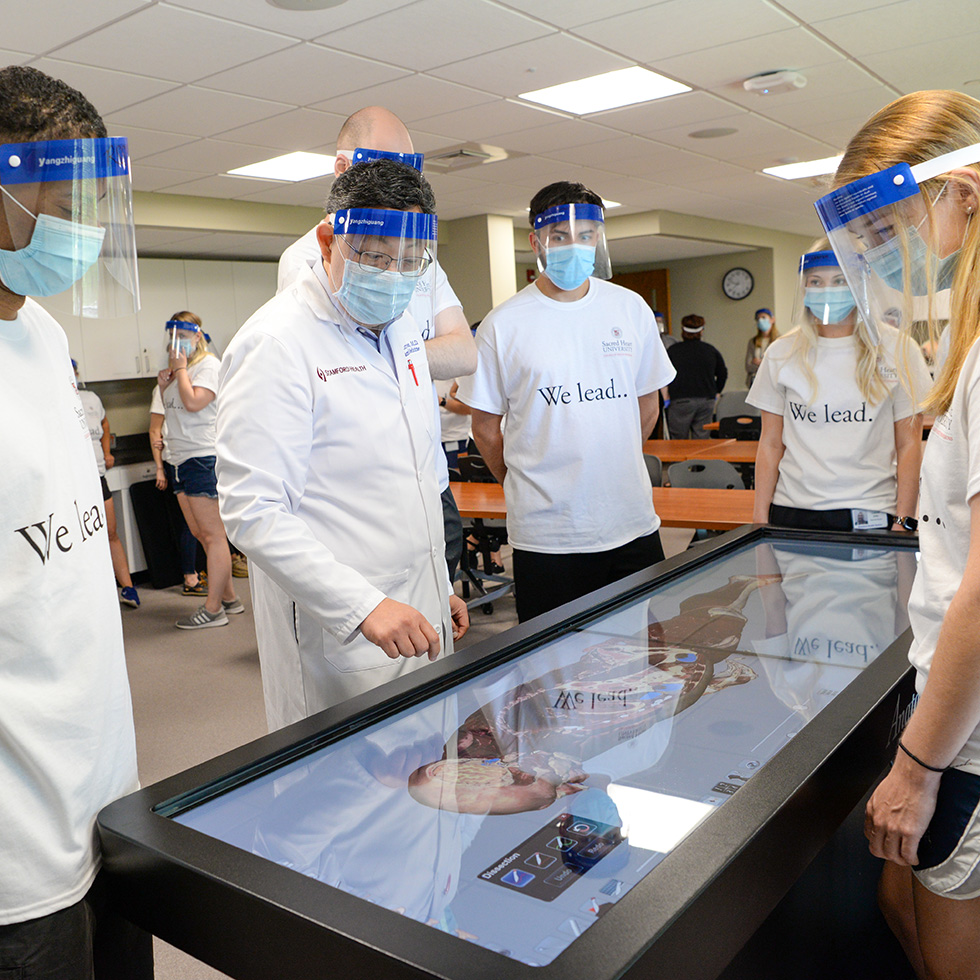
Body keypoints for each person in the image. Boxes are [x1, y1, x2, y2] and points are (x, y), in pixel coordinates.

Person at [813, 89, 980, 980]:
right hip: (953, 711)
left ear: (959, 191)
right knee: (892, 899)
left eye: (888, 229)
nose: (884, 255)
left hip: (967, 732)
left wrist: (916, 767)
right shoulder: (968, 336)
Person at [217, 158, 469, 731]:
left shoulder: (403, 326)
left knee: (430, 779)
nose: (393, 276)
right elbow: (252, 510)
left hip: (418, 611)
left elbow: (416, 466)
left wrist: (436, 582)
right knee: (352, 799)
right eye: (377, 257)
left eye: (410, 263)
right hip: (347, 632)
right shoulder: (276, 343)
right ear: (329, 240)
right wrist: (364, 606)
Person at [0, 65, 151, 979]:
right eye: (63, 201)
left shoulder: (43, 334)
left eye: (95, 203)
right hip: (15, 854)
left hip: (105, 795)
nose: (83, 229)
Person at [457, 181, 675, 623]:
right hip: (548, 537)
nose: (573, 246)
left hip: (631, 523)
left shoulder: (629, 309)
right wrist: (526, 482)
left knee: (641, 660)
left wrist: (612, 462)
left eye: (585, 235)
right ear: (536, 241)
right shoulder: (503, 326)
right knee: (553, 675)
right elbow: (484, 428)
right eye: (559, 236)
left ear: (598, 239)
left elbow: (648, 405)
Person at [278, 105, 476, 590]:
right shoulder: (306, 259)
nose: (397, 270)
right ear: (343, 169)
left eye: (405, 169)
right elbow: (328, 364)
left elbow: (465, 354)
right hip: (358, 490)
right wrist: (414, 355)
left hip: (430, 478)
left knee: (437, 622)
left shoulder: (422, 258)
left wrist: (393, 354)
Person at [749, 249, 931, 533]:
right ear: (804, 287)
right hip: (792, 511)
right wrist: (760, 520)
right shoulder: (781, 353)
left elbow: (909, 445)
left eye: (840, 280)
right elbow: (771, 444)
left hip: (869, 511)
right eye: (816, 282)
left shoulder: (898, 349)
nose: (827, 290)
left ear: (860, 286)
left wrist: (904, 520)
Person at [156, 311, 242, 628]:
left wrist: (179, 372)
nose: (176, 342)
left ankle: (214, 609)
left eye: (183, 335)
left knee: (213, 535)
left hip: (201, 457)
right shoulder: (185, 368)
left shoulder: (208, 366)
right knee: (199, 533)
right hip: (179, 459)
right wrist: (164, 382)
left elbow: (193, 403)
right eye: (172, 336)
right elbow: (173, 411)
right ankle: (230, 598)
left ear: (198, 336)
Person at [74, 359, 140, 607]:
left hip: (98, 475)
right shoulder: (55, 399)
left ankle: (128, 589)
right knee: (82, 539)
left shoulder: (91, 398)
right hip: (75, 480)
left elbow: (104, 423)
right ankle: (92, 597)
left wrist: (107, 452)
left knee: (110, 532)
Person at [150, 388, 207, 596]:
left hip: (199, 457)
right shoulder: (163, 388)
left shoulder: (199, 384)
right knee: (189, 523)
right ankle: (190, 576)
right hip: (176, 461)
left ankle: (202, 571)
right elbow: (155, 430)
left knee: (204, 525)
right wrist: (159, 468)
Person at [665, 314, 728, 439]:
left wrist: (666, 398)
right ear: (702, 331)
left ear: (682, 330)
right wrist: (716, 392)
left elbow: (663, 376)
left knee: (678, 442)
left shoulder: (673, 351)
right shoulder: (710, 350)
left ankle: (679, 460)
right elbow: (723, 373)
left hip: (680, 401)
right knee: (702, 441)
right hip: (706, 400)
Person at [745, 307, 778, 388]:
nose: (760, 320)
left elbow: (778, 365)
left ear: (772, 319)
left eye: (763, 317)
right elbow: (748, 366)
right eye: (758, 319)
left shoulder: (779, 341)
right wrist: (766, 363)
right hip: (755, 382)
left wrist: (760, 363)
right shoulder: (753, 342)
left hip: (773, 383)